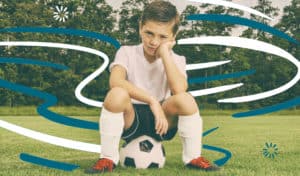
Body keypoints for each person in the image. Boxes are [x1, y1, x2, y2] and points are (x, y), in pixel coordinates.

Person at [85, 0, 219, 173]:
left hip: (161, 122)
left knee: (185, 99)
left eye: (163, 37)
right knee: (116, 93)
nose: (154, 42)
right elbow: (115, 81)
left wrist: (165, 54)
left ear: (173, 37)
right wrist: (151, 101)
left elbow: (179, 90)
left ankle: (193, 157)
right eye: (149, 33)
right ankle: (108, 158)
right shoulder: (126, 52)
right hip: (131, 118)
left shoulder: (176, 60)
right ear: (140, 27)